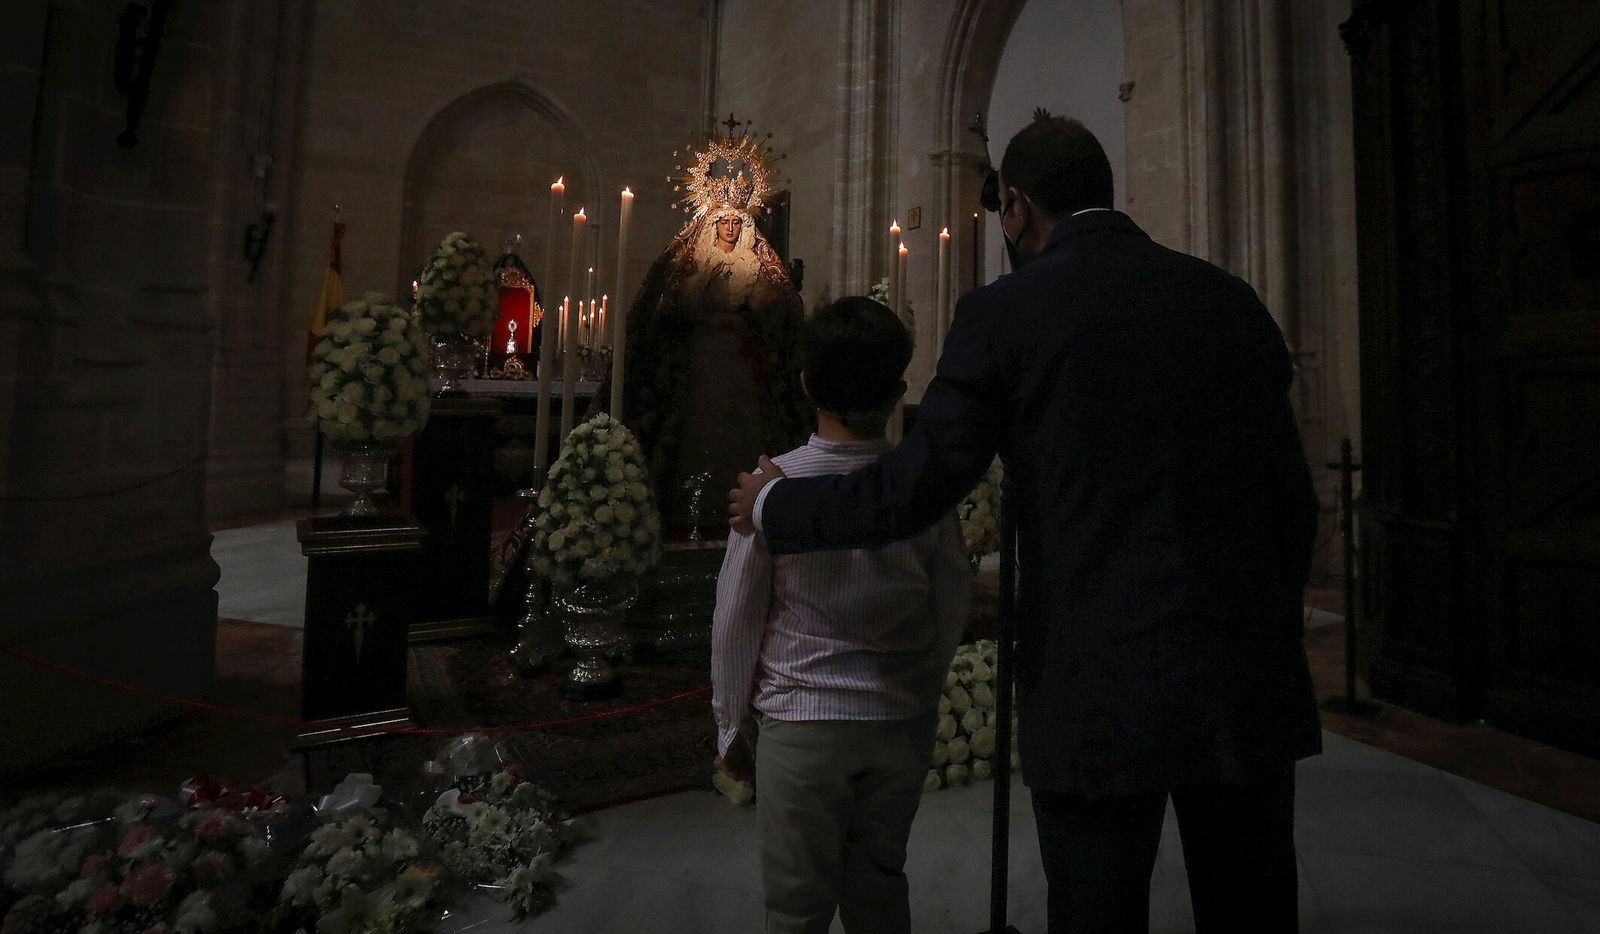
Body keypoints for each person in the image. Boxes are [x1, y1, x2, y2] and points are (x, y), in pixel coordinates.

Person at [729, 116, 1322, 933]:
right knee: (1249, 906)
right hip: (1245, 670)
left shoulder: (1006, 312)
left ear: (1014, 206)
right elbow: (1293, 502)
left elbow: (915, 487)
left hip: (1097, 678)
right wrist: (1263, 624)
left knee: (1099, 909)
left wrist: (775, 503)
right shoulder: (1227, 299)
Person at [712, 296, 969, 934]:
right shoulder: (918, 490)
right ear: (899, 388)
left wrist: (731, 725)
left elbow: (736, 619)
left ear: (805, 384)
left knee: (797, 907)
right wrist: (925, 688)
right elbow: (950, 598)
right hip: (897, 720)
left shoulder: (770, 488)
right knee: (880, 887)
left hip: (803, 724)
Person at [603, 188, 812, 536]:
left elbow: (772, 309)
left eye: (735, 222)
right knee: (696, 425)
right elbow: (675, 304)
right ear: (713, 226)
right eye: (724, 222)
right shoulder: (693, 262)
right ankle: (690, 507)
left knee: (743, 428)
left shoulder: (755, 263)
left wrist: (755, 312)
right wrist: (713, 316)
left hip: (742, 364)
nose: (730, 228)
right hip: (700, 362)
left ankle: (743, 502)